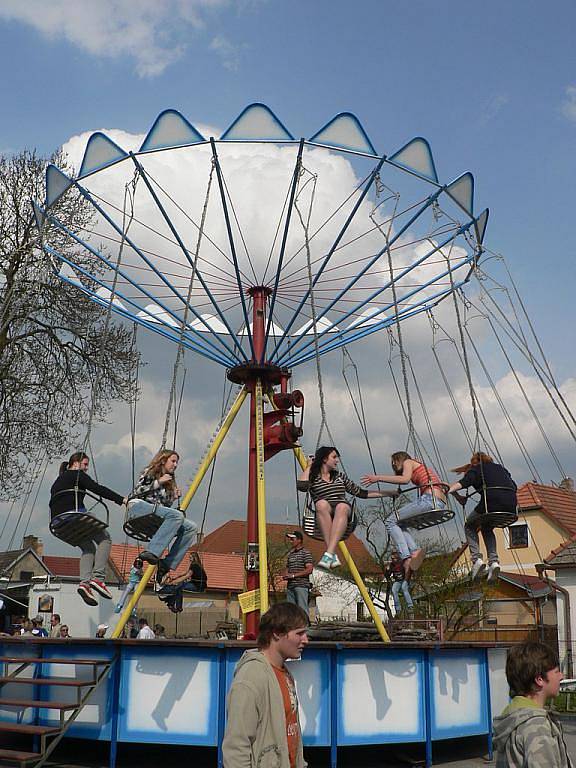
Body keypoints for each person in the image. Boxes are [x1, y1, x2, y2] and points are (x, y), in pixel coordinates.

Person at [222, 602, 309, 768]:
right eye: (300, 633)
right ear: (277, 633)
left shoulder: (284, 673)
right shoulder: (251, 678)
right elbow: (236, 748)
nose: (306, 640)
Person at [50, 451, 127, 607]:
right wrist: (122, 500)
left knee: (88, 548)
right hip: (73, 516)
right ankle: (98, 578)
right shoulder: (77, 475)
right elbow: (98, 489)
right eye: (85, 465)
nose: (86, 469)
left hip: (59, 522)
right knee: (105, 538)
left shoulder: (58, 480)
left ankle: (84, 584)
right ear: (75, 463)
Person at [298, 446, 395, 570]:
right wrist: (309, 467)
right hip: (324, 512)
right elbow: (301, 487)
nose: (337, 461)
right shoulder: (313, 477)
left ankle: (329, 553)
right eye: (334, 457)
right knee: (320, 503)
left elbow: (361, 493)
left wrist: (389, 493)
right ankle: (331, 554)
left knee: (341, 506)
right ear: (324, 459)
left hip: (343, 512)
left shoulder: (340, 476)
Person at [362, 451, 446, 578]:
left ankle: (405, 557)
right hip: (438, 502)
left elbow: (405, 480)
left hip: (429, 499)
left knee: (390, 521)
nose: (393, 465)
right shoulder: (418, 464)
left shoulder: (408, 462)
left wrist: (378, 477)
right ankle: (414, 551)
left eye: (394, 461)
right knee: (400, 523)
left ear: (400, 459)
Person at [493, 641, 572, 767]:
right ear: (539, 679)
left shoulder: (513, 714)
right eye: (557, 672)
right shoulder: (536, 726)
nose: (561, 676)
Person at [127, 450, 197, 580]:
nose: (175, 465)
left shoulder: (170, 481)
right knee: (177, 516)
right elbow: (138, 490)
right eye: (173, 461)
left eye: (177, 462)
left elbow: (164, 508)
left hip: (154, 511)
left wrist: (173, 498)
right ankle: (152, 551)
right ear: (163, 460)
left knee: (191, 527)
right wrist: (158, 482)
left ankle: (167, 564)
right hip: (139, 507)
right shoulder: (150, 471)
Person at [449, 452, 517, 582]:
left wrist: (449, 490)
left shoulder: (476, 469)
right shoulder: (501, 469)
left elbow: (464, 482)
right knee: (487, 527)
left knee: (469, 525)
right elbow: (513, 486)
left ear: (475, 462)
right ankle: (494, 562)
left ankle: (476, 560)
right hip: (511, 504)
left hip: (491, 502)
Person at [282, 531, 313, 614]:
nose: (291, 541)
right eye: (290, 539)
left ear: (299, 540)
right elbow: (287, 568)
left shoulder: (305, 553)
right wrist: (285, 574)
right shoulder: (290, 554)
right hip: (290, 586)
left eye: (292, 539)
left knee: (302, 609)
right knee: (291, 611)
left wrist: (293, 575)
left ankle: (305, 625)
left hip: (301, 586)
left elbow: (309, 569)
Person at [386, 551, 414, 616]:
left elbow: (409, 571)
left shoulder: (402, 563)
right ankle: (398, 608)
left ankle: (410, 606)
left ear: (397, 558)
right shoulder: (392, 565)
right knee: (394, 590)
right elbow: (388, 574)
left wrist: (407, 580)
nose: (393, 560)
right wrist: (387, 570)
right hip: (397, 581)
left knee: (404, 588)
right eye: (392, 559)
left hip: (405, 579)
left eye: (394, 558)